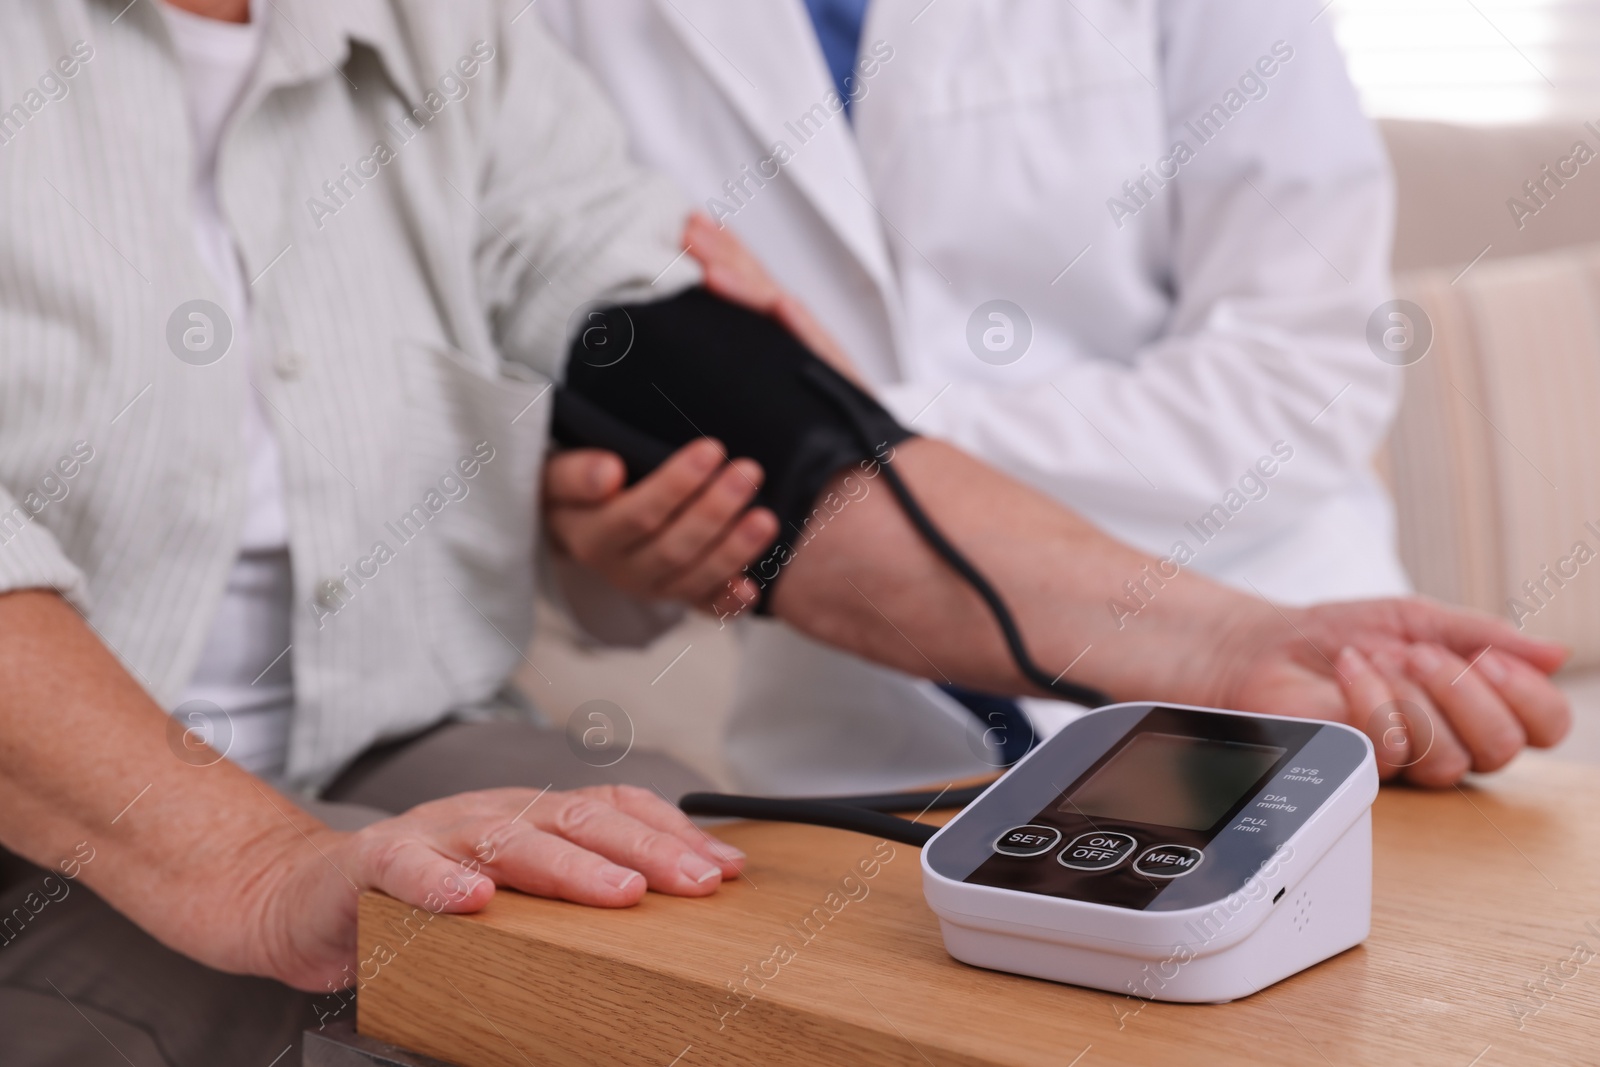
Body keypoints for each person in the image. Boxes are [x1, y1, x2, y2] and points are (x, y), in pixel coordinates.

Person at [0, 2, 1568, 1064]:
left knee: (763, 975)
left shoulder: (449, 33)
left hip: (401, 742)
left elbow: (724, 395)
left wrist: (1222, 638)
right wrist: (262, 862)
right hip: (66, 813)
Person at [535, 0, 1426, 792]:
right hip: (858, 758)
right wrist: (620, 546)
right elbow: (589, 438)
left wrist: (816, 431)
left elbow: (1304, 380)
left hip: (1272, 698)